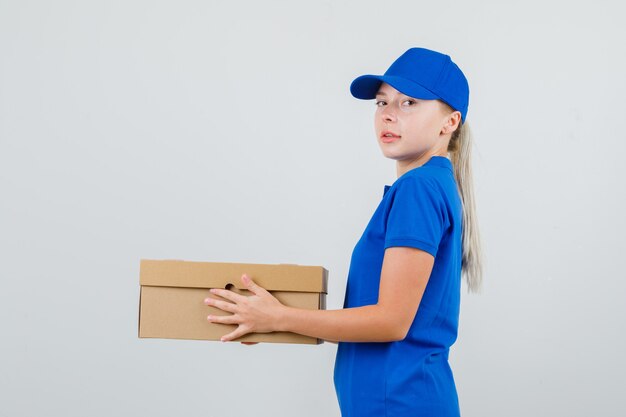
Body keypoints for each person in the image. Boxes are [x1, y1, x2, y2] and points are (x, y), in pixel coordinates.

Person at [204, 47, 484, 417]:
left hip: (402, 405)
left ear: (450, 122)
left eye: (409, 103)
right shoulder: (429, 186)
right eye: (382, 103)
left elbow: (391, 320)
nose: (388, 115)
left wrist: (279, 318)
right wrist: (268, 320)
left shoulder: (419, 189)